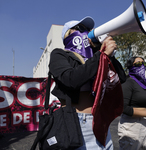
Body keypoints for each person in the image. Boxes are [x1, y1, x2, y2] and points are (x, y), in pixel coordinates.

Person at [48, 16, 125, 149]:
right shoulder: (60, 54)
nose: (86, 32)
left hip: (100, 121)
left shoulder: (96, 55)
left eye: (88, 29)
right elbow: (70, 79)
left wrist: (105, 53)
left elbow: (121, 78)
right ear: (68, 34)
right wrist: (100, 55)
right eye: (80, 29)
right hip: (77, 123)